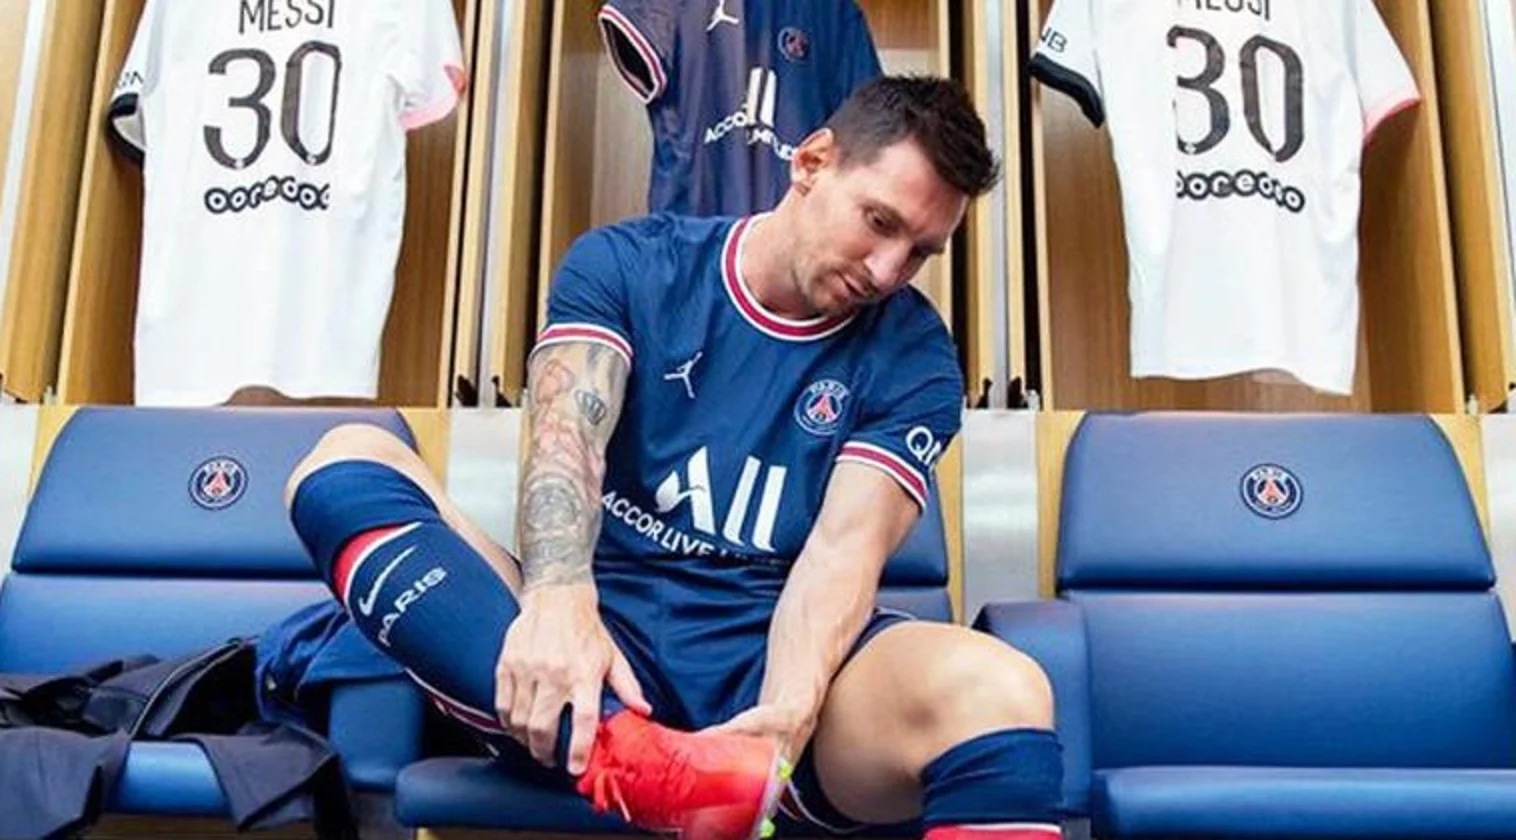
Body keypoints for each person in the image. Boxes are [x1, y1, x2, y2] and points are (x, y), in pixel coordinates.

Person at [285, 75, 1063, 840]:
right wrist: (557, 601)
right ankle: (642, 766)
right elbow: (565, 450)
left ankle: (716, 780)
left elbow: (841, 556)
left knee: (1003, 688)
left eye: (919, 251)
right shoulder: (630, 266)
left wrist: (784, 718)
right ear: (812, 162)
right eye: (879, 221)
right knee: (346, 458)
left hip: (765, 663)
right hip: (595, 657)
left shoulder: (916, 356)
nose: (888, 271)